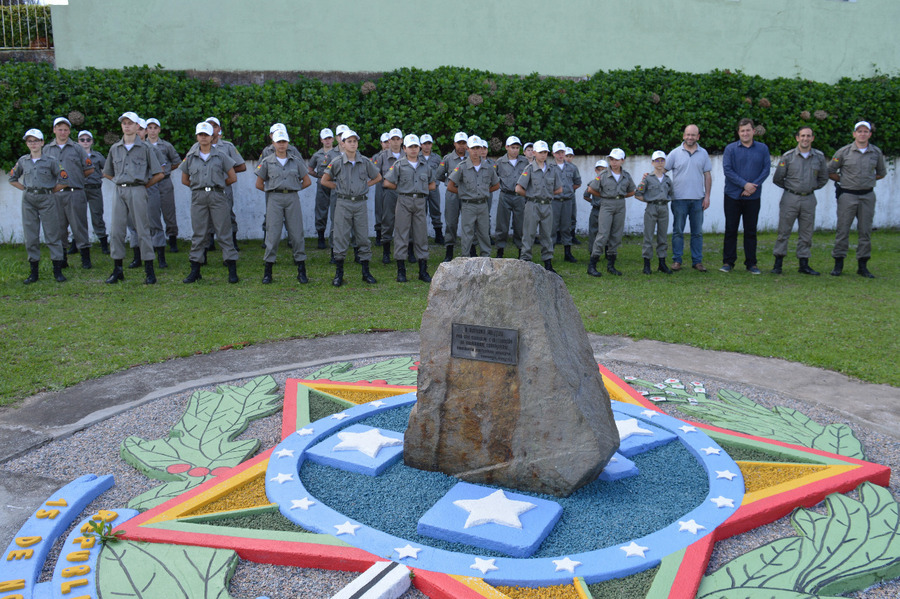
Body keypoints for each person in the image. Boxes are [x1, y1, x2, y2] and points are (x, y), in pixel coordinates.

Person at [103, 111, 164, 285]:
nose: (127, 126)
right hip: (119, 191)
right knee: (116, 230)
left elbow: (159, 173)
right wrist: (118, 181)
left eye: (130, 123)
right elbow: (107, 172)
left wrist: (143, 186)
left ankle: (149, 270)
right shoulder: (115, 148)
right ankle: (117, 270)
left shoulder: (146, 148)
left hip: (138, 189)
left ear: (137, 126)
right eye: (124, 123)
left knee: (143, 229)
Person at [320, 130, 382, 287]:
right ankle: (339, 274)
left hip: (360, 203)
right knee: (340, 236)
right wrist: (338, 187)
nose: (353, 144)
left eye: (355, 141)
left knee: (362, 237)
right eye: (349, 141)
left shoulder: (365, 162)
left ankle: (366, 272)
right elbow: (324, 180)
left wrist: (365, 186)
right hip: (343, 203)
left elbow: (378, 177)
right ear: (342, 144)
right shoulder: (337, 162)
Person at [180, 122, 239, 284]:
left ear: (212, 136)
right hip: (198, 197)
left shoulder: (221, 155)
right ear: (197, 137)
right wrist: (198, 186)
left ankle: (232, 269)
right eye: (201, 134)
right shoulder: (191, 157)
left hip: (217, 196)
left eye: (206, 135)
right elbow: (184, 179)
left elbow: (232, 177)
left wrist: (218, 185)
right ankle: (195, 270)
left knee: (224, 232)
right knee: (199, 234)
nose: (204, 138)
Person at [827, 121, 887, 278]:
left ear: (870, 134)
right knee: (842, 230)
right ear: (854, 134)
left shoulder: (876, 152)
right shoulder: (843, 152)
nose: (862, 134)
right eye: (859, 131)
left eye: (865, 131)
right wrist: (845, 180)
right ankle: (838, 264)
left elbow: (881, 173)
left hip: (867, 196)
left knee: (865, 231)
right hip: (848, 195)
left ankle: (863, 265)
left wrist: (867, 180)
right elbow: (830, 171)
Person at [255, 129, 312, 284]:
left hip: (292, 198)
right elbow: (259, 184)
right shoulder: (267, 161)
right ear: (273, 143)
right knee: (272, 234)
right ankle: (268, 272)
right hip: (274, 198)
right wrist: (272, 190)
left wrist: (294, 188)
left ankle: (301, 270)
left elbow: (307, 181)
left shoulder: (296, 161)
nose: (281, 145)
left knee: (297, 233)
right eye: (278, 142)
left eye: (284, 142)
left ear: (288, 143)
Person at [9, 128, 66, 283]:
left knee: (52, 234)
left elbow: (64, 180)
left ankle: (57, 271)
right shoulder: (23, 161)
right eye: (30, 141)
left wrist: (50, 191)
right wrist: (26, 189)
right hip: (29, 200)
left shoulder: (51, 161)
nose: (33, 144)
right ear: (27, 144)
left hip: (47, 199)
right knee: (31, 236)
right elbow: (12, 178)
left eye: (36, 141)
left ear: (42, 142)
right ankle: (33, 272)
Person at [771, 126, 829, 275]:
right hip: (790, 198)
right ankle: (778, 264)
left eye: (808, 136)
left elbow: (823, 178)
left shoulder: (819, 157)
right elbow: (778, 178)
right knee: (783, 231)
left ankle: (804, 264)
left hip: (809, 198)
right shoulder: (788, 157)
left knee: (806, 232)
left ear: (812, 138)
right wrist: (792, 189)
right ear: (797, 138)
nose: (805, 139)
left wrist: (810, 187)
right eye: (802, 136)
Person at [383, 134, 435, 283]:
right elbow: (387, 182)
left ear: (419, 148)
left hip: (420, 201)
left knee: (421, 234)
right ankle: (401, 270)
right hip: (404, 200)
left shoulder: (425, 166)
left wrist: (421, 189)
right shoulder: (399, 165)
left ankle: (423, 270)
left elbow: (432, 184)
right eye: (410, 147)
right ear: (404, 148)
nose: (413, 149)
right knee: (401, 234)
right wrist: (402, 188)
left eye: (416, 146)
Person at [721, 118, 771, 274]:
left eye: (748, 130)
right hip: (732, 196)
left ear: (753, 131)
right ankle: (728, 262)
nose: (745, 133)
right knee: (731, 230)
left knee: (750, 231)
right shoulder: (730, 149)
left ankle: (751, 263)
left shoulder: (762, 149)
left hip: (753, 197)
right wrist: (744, 185)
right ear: (738, 132)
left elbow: (766, 169)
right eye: (742, 131)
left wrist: (752, 187)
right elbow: (727, 170)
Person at [44, 116, 94, 269]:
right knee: (59, 228)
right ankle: (62, 259)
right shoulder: (46, 149)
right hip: (56, 194)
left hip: (75, 193)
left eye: (65, 130)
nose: (63, 132)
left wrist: (75, 178)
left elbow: (89, 169)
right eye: (60, 129)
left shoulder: (77, 148)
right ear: (54, 130)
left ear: (69, 131)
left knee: (79, 226)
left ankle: (85, 258)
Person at [665, 124, 712, 272]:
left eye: (693, 135)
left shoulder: (703, 153)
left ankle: (697, 261)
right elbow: (662, 171)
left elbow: (707, 175)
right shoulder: (674, 153)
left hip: (698, 200)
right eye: (688, 134)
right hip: (678, 200)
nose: (690, 137)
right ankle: (677, 261)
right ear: (683, 136)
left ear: (698, 137)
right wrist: (649, 177)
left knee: (697, 233)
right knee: (678, 231)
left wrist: (707, 196)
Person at [448, 134, 500, 262]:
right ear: (468, 149)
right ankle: (465, 259)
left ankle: (485, 260)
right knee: (467, 234)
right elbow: (450, 186)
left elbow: (496, 185)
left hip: (483, 205)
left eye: (478, 148)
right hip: (468, 205)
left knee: (484, 233)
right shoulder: (462, 166)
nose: (476, 151)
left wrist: (483, 192)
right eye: (473, 148)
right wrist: (464, 193)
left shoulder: (488, 167)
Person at [586, 148, 635, 276]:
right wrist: (604, 196)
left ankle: (611, 265)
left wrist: (620, 196)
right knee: (602, 233)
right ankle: (592, 265)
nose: (613, 162)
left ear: (622, 160)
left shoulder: (626, 176)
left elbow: (632, 191)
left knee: (616, 234)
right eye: (611, 159)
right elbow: (591, 189)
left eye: (616, 160)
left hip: (620, 205)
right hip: (607, 204)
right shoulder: (603, 175)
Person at [515, 140, 562, 272]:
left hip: (547, 205)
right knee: (528, 234)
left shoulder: (552, 170)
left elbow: (559, 189)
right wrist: (531, 195)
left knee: (547, 234)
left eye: (545, 152)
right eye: (540, 152)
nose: (543, 155)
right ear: (534, 153)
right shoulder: (529, 169)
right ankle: (525, 262)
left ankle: (548, 263)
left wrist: (546, 194)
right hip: (533, 205)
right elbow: (518, 188)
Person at [145, 118, 182, 253]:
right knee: (151, 212)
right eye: (150, 128)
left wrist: (165, 171)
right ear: (146, 130)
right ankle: (155, 241)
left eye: (155, 128)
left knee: (169, 211)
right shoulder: (143, 145)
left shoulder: (166, 146)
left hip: (165, 182)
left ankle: (172, 239)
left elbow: (177, 162)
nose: (152, 131)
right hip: (150, 182)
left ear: (159, 130)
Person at [634, 151, 674, 274]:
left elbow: (671, 193)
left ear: (665, 162)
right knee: (648, 236)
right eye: (657, 160)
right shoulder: (647, 178)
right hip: (651, 208)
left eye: (662, 160)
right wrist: (649, 200)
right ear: (652, 162)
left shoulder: (667, 179)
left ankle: (662, 263)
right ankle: (647, 264)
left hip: (664, 209)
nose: (660, 163)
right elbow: (638, 194)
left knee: (663, 237)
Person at [435, 132, 469, 261]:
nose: (461, 146)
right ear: (454, 144)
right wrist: (448, 182)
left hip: (468, 195)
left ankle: (470, 249)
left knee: (469, 223)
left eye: (464, 143)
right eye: (459, 143)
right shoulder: (448, 158)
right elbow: (439, 175)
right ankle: (449, 250)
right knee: (451, 222)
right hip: (452, 194)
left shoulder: (471, 157)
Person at [494, 136, 528, 258]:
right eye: (512, 147)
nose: (515, 150)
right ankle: (500, 249)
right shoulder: (500, 162)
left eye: (517, 148)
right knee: (502, 224)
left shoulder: (524, 161)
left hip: (519, 196)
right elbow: (493, 177)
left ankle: (521, 250)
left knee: (520, 224)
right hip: (505, 195)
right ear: (506, 147)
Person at [77, 130, 109, 255]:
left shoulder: (97, 156)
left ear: (92, 142)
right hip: (80, 189)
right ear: (78, 142)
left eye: (88, 139)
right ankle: (76, 243)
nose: (85, 142)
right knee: (78, 217)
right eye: (82, 140)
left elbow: (107, 169)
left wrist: (99, 176)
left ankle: (103, 243)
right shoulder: (75, 156)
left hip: (95, 189)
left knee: (97, 215)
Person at [375, 128, 404, 264]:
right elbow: (376, 174)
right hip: (389, 193)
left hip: (405, 193)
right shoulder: (382, 157)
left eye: (398, 139)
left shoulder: (407, 154)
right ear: (389, 141)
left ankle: (407, 251)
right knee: (387, 220)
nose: (395, 142)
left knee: (406, 222)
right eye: (393, 139)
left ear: (401, 141)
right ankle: (386, 251)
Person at [308, 128, 340, 250]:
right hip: (322, 185)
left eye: (329, 138)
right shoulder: (317, 155)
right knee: (321, 209)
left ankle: (336, 237)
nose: (327, 141)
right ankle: (321, 236)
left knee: (336, 210)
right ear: (321, 140)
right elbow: (310, 169)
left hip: (335, 183)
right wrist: (319, 176)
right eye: (325, 138)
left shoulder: (338, 153)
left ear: (333, 139)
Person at [549, 141, 581, 262]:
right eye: (558, 153)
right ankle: (549, 253)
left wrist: (568, 191)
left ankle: (568, 253)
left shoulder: (572, 167)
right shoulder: (549, 168)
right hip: (554, 201)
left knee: (566, 227)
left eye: (562, 152)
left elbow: (577, 182)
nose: (560, 155)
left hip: (567, 201)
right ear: (553, 154)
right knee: (552, 227)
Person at [419, 134, 444, 244]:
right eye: (424, 144)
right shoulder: (416, 157)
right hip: (421, 189)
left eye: (429, 143)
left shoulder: (437, 158)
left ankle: (438, 234)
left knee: (436, 211)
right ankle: (421, 236)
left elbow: (441, 172)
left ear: (432, 145)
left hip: (434, 188)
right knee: (421, 212)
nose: (427, 146)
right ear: (421, 145)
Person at [585, 159, 607, 253]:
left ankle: (608, 252)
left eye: (603, 169)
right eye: (599, 169)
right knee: (593, 231)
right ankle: (593, 252)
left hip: (607, 210)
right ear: (595, 170)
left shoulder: (610, 183)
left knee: (607, 231)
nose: (600, 171)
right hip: (596, 210)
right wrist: (593, 202)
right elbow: (586, 196)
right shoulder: (593, 183)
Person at [565, 147, 581, 244]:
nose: (568, 158)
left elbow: (578, 183)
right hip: (558, 197)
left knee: (572, 216)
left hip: (570, 196)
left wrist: (569, 190)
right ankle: (558, 236)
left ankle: (572, 235)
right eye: (566, 156)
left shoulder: (574, 168)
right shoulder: (555, 167)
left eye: (570, 156)